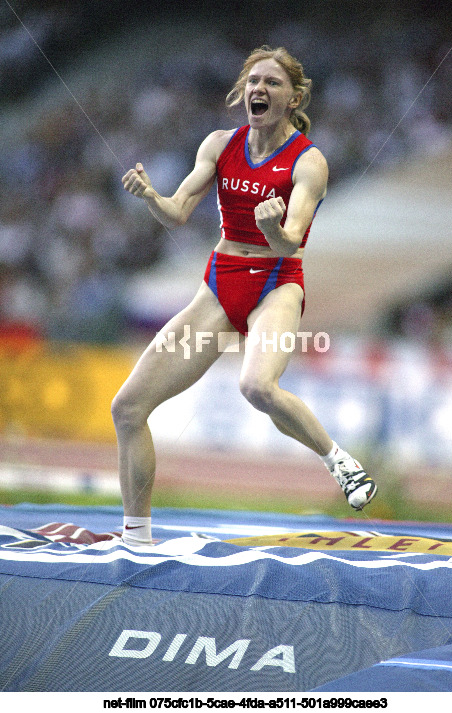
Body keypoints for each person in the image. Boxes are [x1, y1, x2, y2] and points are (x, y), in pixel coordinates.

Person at [113, 45, 377, 546]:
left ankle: (338, 462)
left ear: (293, 97)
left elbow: (293, 239)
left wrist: (273, 227)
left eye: (273, 83)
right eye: (254, 80)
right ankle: (135, 540)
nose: (260, 88)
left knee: (256, 386)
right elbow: (177, 211)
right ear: (243, 91)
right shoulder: (218, 144)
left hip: (276, 282)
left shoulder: (309, 161)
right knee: (127, 409)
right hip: (220, 282)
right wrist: (151, 196)